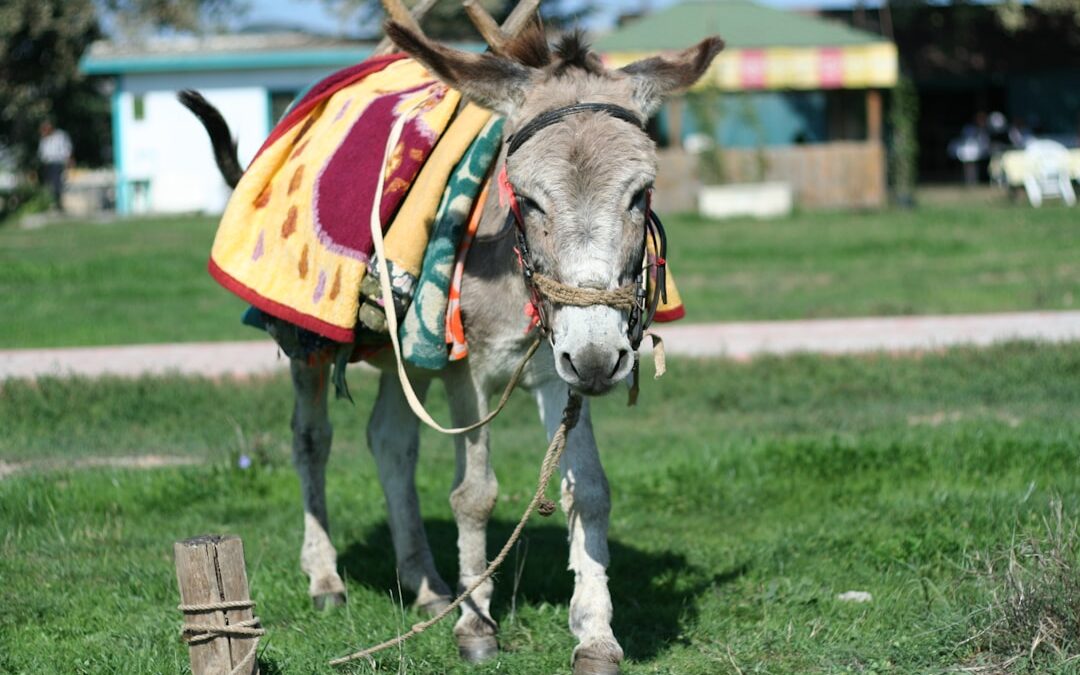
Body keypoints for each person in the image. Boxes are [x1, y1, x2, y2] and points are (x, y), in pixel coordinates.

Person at [38, 121, 72, 211]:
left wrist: (68, 160)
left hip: (57, 163)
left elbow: (66, 149)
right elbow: (42, 153)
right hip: (48, 164)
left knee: (57, 183)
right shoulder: (44, 139)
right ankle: (53, 202)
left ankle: (59, 203)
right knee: (50, 184)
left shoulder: (60, 136)